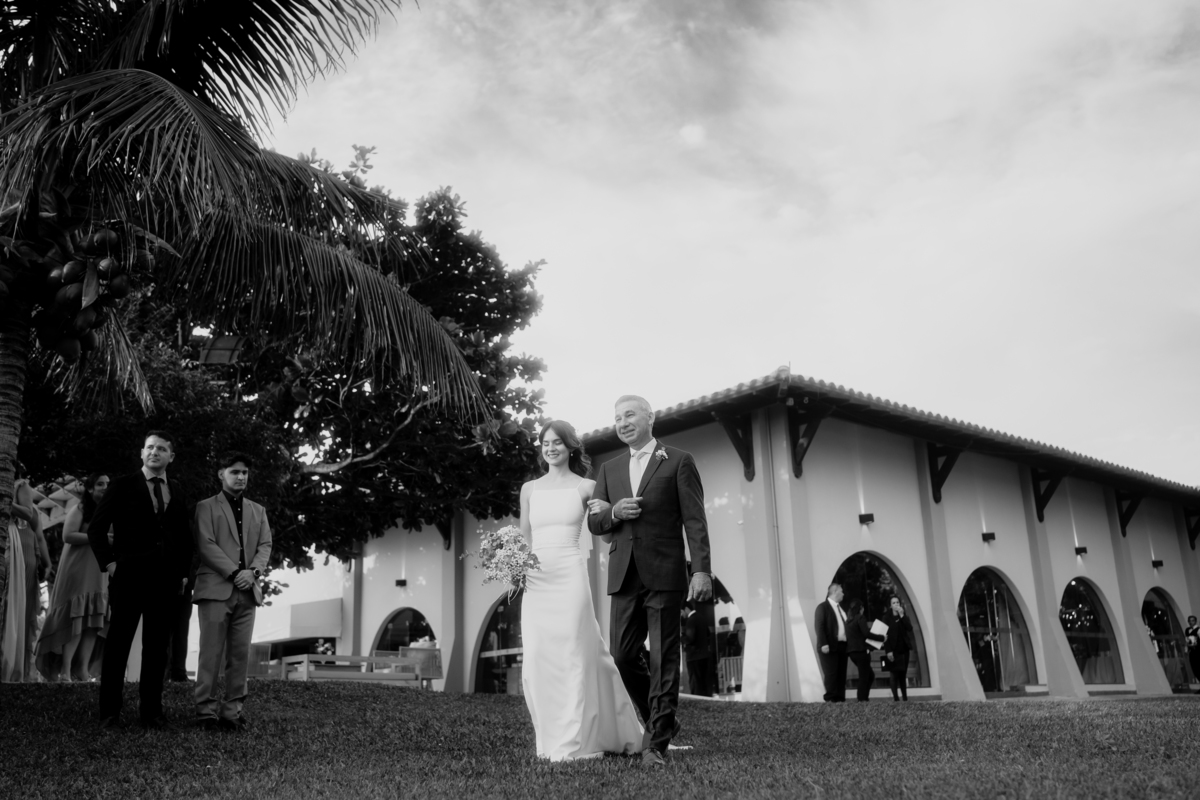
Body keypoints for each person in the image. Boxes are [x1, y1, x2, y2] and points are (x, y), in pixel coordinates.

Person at [586, 395, 713, 767]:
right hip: (624, 572)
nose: (622, 422)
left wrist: (701, 569)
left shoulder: (678, 461)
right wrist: (614, 511)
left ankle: (655, 743)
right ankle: (666, 720)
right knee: (623, 655)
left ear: (650, 418)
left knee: (664, 656)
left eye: (629, 415)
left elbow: (695, 519)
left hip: (665, 571)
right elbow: (594, 522)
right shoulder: (608, 469)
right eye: (617, 418)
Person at [519, 420, 642, 761]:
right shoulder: (529, 489)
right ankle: (550, 738)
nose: (551, 447)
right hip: (536, 580)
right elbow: (524, 538)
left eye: (558, 442)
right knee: (539, 658)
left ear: (571, 446)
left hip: (570, 575)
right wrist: (515, 569)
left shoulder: (588, 486)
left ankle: (577, 741)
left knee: (576, 654)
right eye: (545, 442)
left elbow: (604, 529)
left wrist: (608, 512)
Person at [88, 431, 193, 729]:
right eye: (149, 448)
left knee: (158, 650)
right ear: (141, 453)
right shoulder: (122, 485)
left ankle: (152, 713)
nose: (154, 452)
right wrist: (110, 564)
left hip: (165, 582)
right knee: (118, 645)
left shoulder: (178, 489)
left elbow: (184, 538)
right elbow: (96, 529)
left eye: (161, 449)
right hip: (128, 578)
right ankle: (109, 712)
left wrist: (184, 573)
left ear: (171, 456)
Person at [192, 452, 272, 731]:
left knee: (240, 655)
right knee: (211, 653)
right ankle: (206, 712)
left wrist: (254, 573)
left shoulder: (258, 510)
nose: (240, 477)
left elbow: (265, 546)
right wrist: (236, 572)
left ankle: (232, 712)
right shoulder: (205, 507)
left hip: (248, 590)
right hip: (216, 588)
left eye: (245, 472)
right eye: (235, 471)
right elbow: (206, 545)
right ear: (221, 474)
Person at [35, 473, 111, 681]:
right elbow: (68, 535)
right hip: (78, 570)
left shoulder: (110, 512)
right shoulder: (80, 509)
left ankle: (82, 670)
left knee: (94, 622)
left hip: (99, 572)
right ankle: (66, 670)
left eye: (107, 484)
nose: (105, 487)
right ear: (89, 489)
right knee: (77, 619)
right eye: (100, 484)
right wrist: (101, 538)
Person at [2, 465, 50, 682]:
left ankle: (17, 667)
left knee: (21, 610)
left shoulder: (19, 486)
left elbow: (32, 519)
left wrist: (46, 561)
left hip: (21, 553)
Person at [814, 582, 849, 702]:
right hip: (828, 647)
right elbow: (819, 626)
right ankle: (831, 701)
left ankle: (840, 700)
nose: (843, 594)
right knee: (831, 674)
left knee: (841, 675)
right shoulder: (822, 607)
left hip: (842, 647)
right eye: (841, 591)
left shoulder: (841, 609)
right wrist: (823, 643)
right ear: (834, 592)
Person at [884, 595, 914, 701]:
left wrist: (902, 616)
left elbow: (909, 628)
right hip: (893, 650)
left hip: (904, 649)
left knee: (903, 673)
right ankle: (896, 699)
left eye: (897, 602)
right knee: (894, 674)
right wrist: (888, 651)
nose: (896, 604)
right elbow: (885, 636)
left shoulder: (903, 616)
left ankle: (905, 698)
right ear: (890, 606)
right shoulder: (886, 618)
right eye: (894, 603)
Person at [844, 598, 874, 702]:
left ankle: (864, 698)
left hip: (852, 653)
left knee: (870, 675)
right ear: (860, 608)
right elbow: (866, 634)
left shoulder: (848, 621)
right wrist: (882, 637)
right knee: (864, 677)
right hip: (861, 652)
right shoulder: (860, 618)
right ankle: (862, 700)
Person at [682, 602, 713, 697]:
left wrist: (680, 637)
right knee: (704, 682)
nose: (681, 615)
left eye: (681, 611)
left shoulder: (691, 620)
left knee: (696, 684)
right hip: (704, 655)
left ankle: (697, 701)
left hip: (694, 657)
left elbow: (689, 639)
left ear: (686, 609)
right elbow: (708, 633)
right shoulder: (702, 618)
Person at [1185, 615, 1200, 691]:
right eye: (1190, 621)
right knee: (1194, 668)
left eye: (1192, 620)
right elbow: (1187, 640)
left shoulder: (1198, 630)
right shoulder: (1187, 630)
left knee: (1198, 668)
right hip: (1191, 651)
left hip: (1198, 651)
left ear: (1195, 621)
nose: (1191, 622)